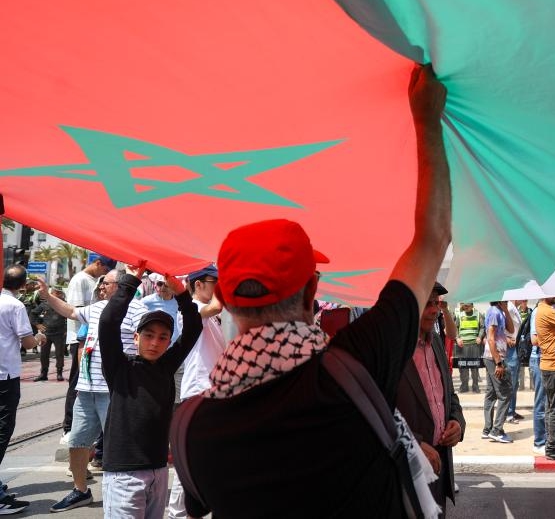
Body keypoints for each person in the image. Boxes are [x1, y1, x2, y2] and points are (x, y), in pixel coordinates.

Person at [171, 64, 450, 518]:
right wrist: (426, 117)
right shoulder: (353, 365)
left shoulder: (189, 427)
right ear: (312, 292)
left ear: (223, 293)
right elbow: (432, 237)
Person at [39, 269, 148, 512]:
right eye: (100, 283)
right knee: (77, 441)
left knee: (117, 444)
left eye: (104, 283)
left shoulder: (138, 310)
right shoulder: (97, 308)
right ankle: (80, 490)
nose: (100, 287)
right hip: (86, 389)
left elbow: (147, 342)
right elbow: (70, 311)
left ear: (120, 286)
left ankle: (121, 492)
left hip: (115, 390)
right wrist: (47, 296)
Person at [99, 263, 201, 519]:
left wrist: (182, 294)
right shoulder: (119, 367)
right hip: (124, 474)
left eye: (163, 337)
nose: (155, 342)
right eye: (148, 335)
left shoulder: (166, 367)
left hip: (158, 471)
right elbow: (108, 322)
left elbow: (193, 329)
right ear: (136, 337)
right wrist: (131, 280)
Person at [396, 282, 465, 517]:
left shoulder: (436, 341)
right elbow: (378, 408)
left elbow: (449, 394)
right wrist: (412, 443)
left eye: (436, 304)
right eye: (428, 304)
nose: (435, 310)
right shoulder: (392, 349)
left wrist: (457, 422)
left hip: (439, 464)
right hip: (406, 467)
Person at [166, 264, 225, 519]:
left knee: (205, 461)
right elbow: (217, 305)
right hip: (199, 392)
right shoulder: (192, 310)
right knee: (189, 464)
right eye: (216, 282)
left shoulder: (210, 315)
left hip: (210, 393)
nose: (219, 288)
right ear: (198, 284)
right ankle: (177, 514)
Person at [1, 266, 47, 515]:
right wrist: (39, 338)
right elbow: (26, 341)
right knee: (2, 431)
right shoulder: (15, 306)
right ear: (22, 286)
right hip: (5, 376)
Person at [61, 256, 115, 435]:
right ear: (98, 264)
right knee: (78, 382)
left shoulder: (93, 280)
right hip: (81, 338)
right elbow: (75, 311)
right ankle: (69, 427)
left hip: (93, 337)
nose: (104, 277)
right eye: (105, 270)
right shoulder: (80, 280)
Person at [536, 294, 555, 461]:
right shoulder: (547, 311)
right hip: (554, 367)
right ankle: (552, 447)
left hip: (550, 366)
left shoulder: (543, 309)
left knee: (551, 408)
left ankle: (551, 444)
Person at [481, 301, 514, 443]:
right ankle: (496, 430)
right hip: (495, 357)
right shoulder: (494, 312)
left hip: (491, 357)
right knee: (505, 393)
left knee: (491, 393)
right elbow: (490, 338)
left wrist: (506, 309)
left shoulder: (498, 311)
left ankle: (488, 429)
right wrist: (498, 362)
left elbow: (511, 329)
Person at [33, 288, 67, 381]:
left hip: (59, 333)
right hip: (46, 333)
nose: (60, 294)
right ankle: (43, 374)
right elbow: (33, 313)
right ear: (51, 293)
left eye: (60, 293)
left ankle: (59, 373)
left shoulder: (64, 304)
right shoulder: (45, 303)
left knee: (59, 354)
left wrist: (67, 329)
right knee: (44, 354)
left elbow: (70, 317)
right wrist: (38, 324)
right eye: (57, 293)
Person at [529, 302, 547, 455]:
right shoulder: (538, 311)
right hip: (539, 359)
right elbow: (534, 340)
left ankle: (546, 439)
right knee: (541, 402)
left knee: (548, 403)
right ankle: (539, 441)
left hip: (548, 360)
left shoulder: (551, 310)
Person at [454, 303, 484, 393]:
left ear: (472, 305)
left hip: (474, 345)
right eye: (464, 306)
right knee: (463, 367)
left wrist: (480, 336)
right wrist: (457, 338)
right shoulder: (459, 315)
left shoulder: (478, 314)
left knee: (475, 366)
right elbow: (455, 327)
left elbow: (482, 327)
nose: (465, 307)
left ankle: (475, 386)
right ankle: (464, 386)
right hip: (462, 346)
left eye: (467, 305)